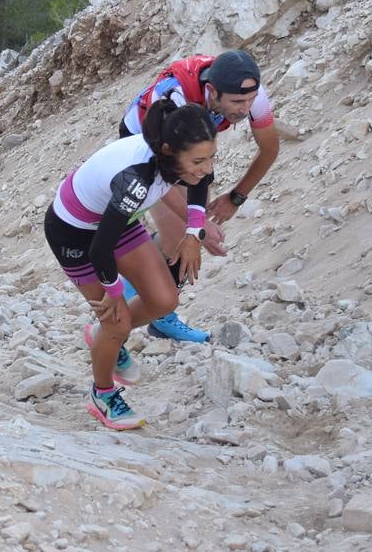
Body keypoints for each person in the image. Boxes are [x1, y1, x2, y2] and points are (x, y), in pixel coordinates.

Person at [45, 99, 217, 430]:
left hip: (114, 222)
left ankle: (101, 337)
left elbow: (201, 183)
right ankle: (103, 395)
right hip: (75, 235)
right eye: (199, 160)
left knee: (165, 300)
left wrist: (194, 234)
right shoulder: (137, 178)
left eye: (212, 157)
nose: (207, 167)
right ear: (167, 151)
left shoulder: (190, 154)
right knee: (118, 321)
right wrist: (112, 293)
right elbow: (100, 249)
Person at [116, 49, 279, 341]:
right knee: (182, 229)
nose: (245, 109)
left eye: (250, 101)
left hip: (193, 145)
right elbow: (158, 173)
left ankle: (138, 285)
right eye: (238, 102)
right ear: (213, 92)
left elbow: (270, 149)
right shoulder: (173, 98)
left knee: (191, 227)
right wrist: (197, 224)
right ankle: (158, 313)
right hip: (146, 144)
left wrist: (235, 197)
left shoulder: (248, 91)